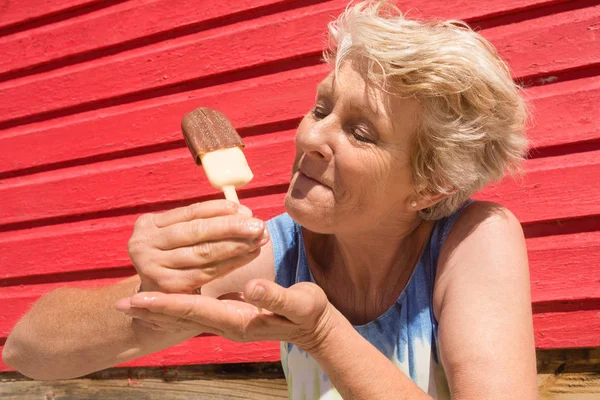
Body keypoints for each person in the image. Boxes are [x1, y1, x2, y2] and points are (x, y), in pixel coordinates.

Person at [3, 1, 538, 398]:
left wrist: (325, 334)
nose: (310, 138)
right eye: (321, 108)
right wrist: (150, 298)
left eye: (361, 132)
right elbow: (27, 352)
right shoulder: (279, 250)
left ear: (430, 185)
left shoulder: (473, 241)